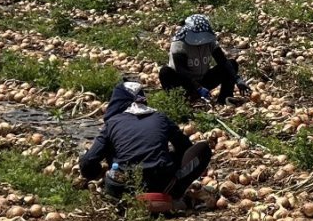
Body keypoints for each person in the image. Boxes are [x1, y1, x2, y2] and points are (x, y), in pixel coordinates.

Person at [78, 81, 213, 211]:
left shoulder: (112, 123)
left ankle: (120, 200)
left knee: (111, 150)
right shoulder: (160, 117)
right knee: (203, 149)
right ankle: (173, 192)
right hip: (159, 183)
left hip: (122, 187)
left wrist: (97, 172)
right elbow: (185, 148)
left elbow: (87, 162)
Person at [158, 14, 251, 105]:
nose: (200, 40)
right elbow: (181, 70)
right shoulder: (179, 44)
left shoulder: (209, 42)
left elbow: (222, 61)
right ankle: (179, 101)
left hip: (203, 80)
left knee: (231, 64)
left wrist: (237, 79)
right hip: (185, 83)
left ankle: (224, 100)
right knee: (165, 72)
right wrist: (198, 87)